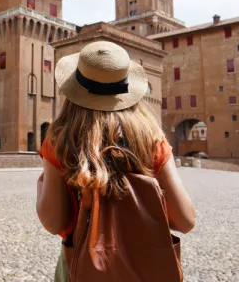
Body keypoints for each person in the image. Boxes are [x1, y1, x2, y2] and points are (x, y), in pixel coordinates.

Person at [36, 42, 195, 281]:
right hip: (147, 266)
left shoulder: (60, 141)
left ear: (75, 89)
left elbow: (53, 222)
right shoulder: (152, 141)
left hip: (83, 266)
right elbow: (185, 220)